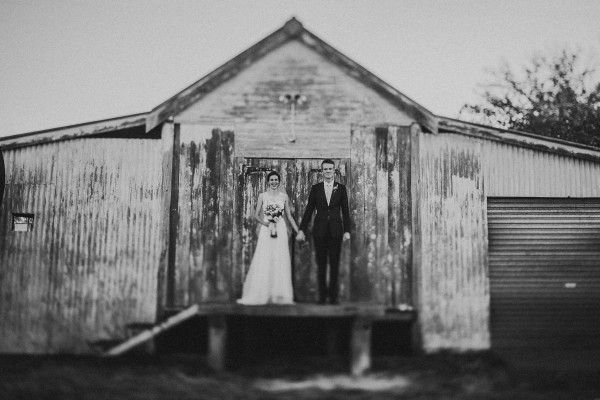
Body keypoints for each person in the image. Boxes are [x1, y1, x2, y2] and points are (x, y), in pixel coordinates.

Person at [238, 171, 299, 305]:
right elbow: (255, 215)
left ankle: (280, 293)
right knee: (265, 257)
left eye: (276, 180)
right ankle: (262, 292)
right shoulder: (262, 196)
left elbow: (288, 216)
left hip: (280, 228)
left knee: (280, 257)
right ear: (268, 181)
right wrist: (267, 223)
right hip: (267, 229)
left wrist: (298, 231)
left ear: (279, 181)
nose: (274, 182)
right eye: (271, 180)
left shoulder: (284, 196)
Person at [296, 159, 351, 304]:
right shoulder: (316, 188)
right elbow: (309, 210)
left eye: (330, 169)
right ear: (322, 171)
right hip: (319, 231)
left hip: (336, 231)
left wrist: (347, 231)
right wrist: (301, 229)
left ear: (334, 171)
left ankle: (332, 297)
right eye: (325, 169)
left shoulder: (341, 188)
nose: (328, 171)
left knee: (334, 264)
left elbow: (345, 211)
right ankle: (322, 297)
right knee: (320, 264)